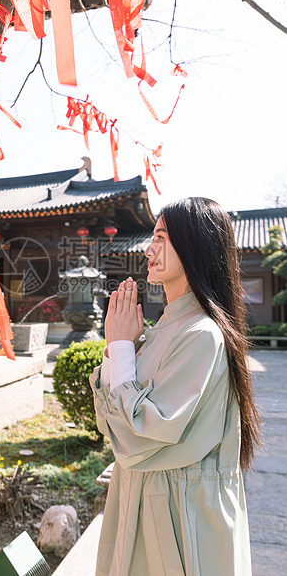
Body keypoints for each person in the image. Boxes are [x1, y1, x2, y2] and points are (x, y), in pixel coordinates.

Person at [89, 197, 261, 576]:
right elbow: (114, 429)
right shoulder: (160, 332)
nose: (149, 249)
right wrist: (118, 347)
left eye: (161, 237)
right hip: (140, 501)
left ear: (193, 245)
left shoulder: (201, 335)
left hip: (178, 518)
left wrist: (121, 347)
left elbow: (137, 439)